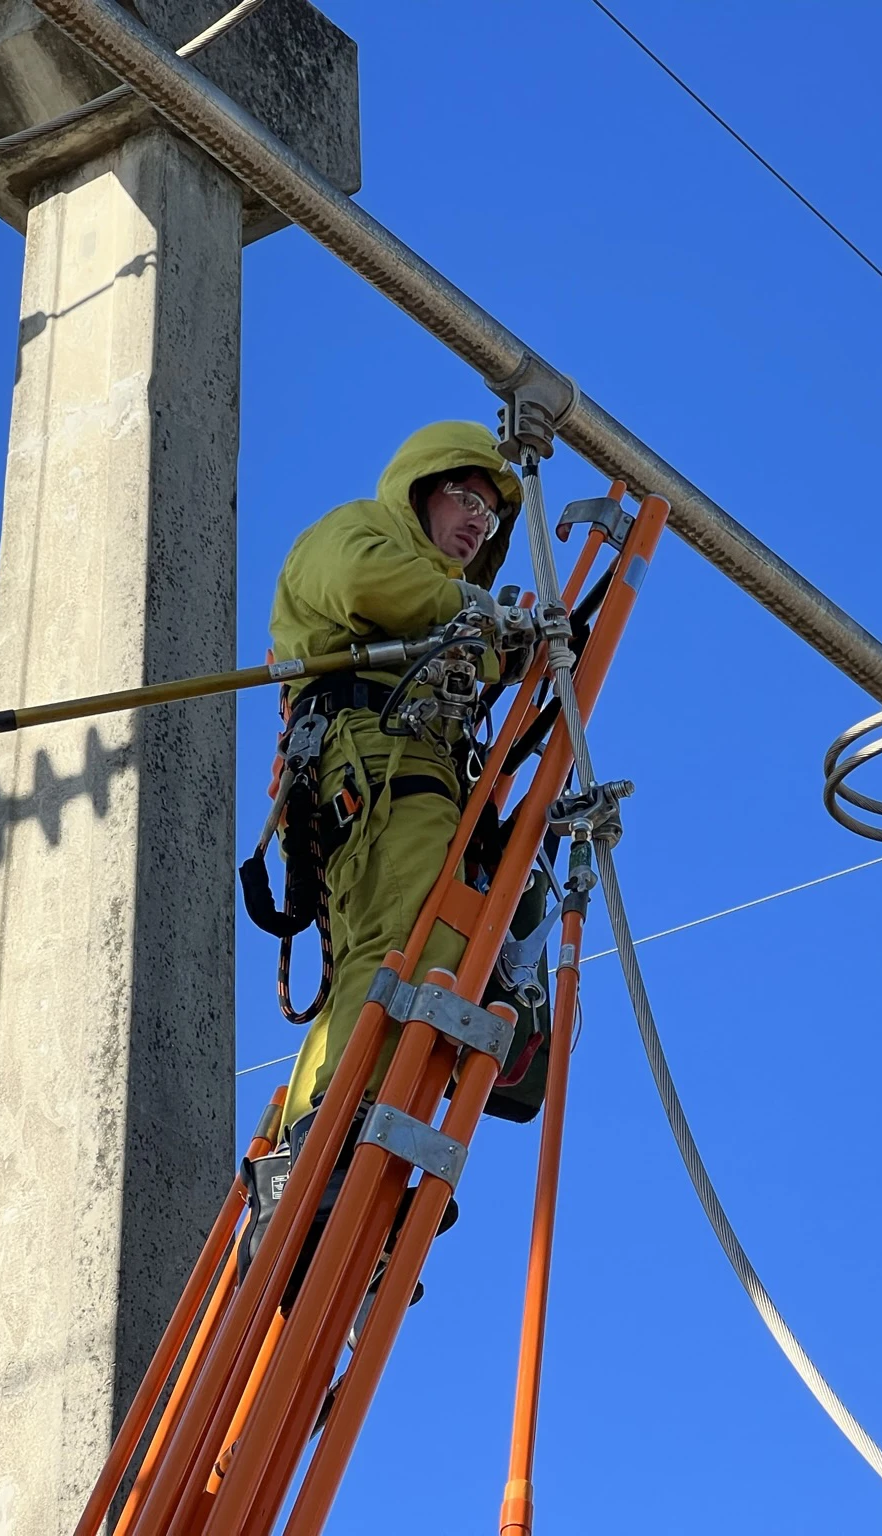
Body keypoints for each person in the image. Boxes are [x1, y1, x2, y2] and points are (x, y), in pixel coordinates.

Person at [239, 421, 524, 1272]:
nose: (477, 522)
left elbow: (491, 658)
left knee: (406, 956)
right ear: (419, 488)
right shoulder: (356, 535)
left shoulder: (443, 603)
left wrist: (500, 634)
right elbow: (368, 583)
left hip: (409, 766)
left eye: (489, 512)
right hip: (377, 761)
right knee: (414, 946)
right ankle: (340, 1126)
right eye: (464, 497)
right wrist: (486, 614)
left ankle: (317, 1140)